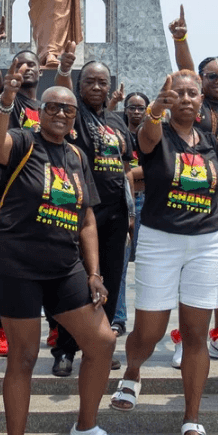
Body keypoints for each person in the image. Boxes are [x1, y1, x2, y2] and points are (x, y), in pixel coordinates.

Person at [0, 61, 132, 435]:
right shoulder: (23, 142)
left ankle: (85, 427)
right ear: (41, 112)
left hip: (64, 265)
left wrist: (94, 272)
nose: (63, 115)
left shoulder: (77, 155)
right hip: (17, 264)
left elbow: (86, 217)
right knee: (24, 358)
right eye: (54, 108)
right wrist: (6, 99)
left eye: (68, 111)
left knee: (102, 341)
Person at [110, 71, 218, 435]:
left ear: (202, 99)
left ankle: (191, 418)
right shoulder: (157, 134)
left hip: (209, 242)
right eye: (177, 93)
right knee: (150, 332)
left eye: (192, 93)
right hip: (161, 240)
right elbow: (146, 135)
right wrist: (157, 104)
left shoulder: (210, 143)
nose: (185, 98)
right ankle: (134, 372)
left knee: (194, 333)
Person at [0, 20, 74, 356]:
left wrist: (64, 68)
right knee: (3, 265)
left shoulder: (50, 108)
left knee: (51, 260)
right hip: (13, 195)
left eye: (33, 63)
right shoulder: (10, 101)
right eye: (21, 63)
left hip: (52, 195)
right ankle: (0, 328)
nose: (28, 68)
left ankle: (54, 324)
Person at [169, 9, 218, 365]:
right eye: (211, 75)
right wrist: (181, 40)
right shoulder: (200, 111)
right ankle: (184, 339)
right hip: (201, 196)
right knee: (190, 269)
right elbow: (185, 73)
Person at [50, 62, 133, 376]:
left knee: (110, 280)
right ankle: (65, 349)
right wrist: (66, 71)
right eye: (90, 82)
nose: (97, 88)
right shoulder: (74, 116)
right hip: (80, 213)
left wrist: (130, 212)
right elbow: (64, 92)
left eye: (103, 82)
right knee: (75, 283)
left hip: (114, 214)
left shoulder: (117, 121)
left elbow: (126, 167)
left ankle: (101, 343)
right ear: (79, 85)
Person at [111, 92, 148, 336]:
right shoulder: (117, 134)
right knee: (119, 263)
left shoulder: (152, 135)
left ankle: (149, 319)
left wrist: (131, 175)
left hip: (148, 200)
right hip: (123, 200)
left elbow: (157, 167)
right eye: (131, 107)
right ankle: (118, 317)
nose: (136, 111)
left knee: (149, 264)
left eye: (140, 107)